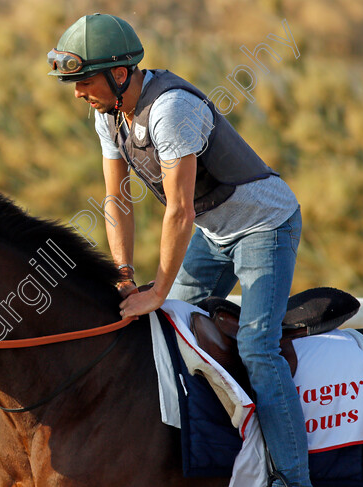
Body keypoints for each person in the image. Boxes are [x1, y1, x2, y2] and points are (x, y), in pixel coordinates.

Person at [48, 13, 309, 487]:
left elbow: (180, 212)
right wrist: (125, 273)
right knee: (165, 331)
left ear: (119, 74)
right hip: (215, 233)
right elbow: (115, 199)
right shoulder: (108, 115)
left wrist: (158, 290)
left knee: (257, 349)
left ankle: (292, 478)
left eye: (83, 81)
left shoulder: (171, 111)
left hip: (264, 226)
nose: (76, 93)